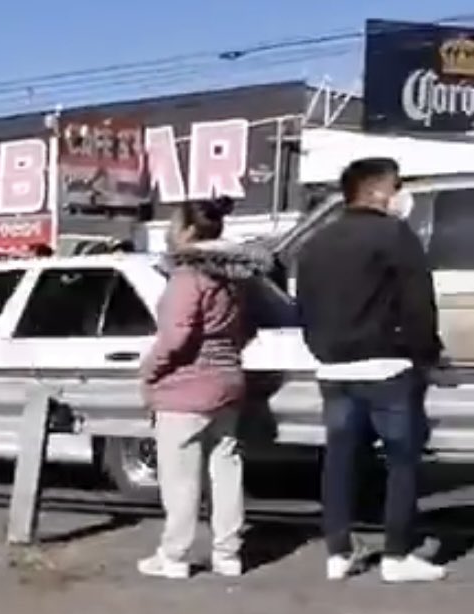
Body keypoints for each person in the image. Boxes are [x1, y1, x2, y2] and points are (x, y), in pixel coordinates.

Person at [297, 157, 446, 584]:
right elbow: (418, 302)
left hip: (333, 369)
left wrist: (321, 351)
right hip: (388, 366)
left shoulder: (316, 243)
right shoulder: (395, 235)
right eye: (397, 185)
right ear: (376, 191)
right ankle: (397, 555)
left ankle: (338, 553)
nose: (402, 194)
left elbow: (303, 307)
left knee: (340, 460)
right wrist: (424, 352)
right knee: (402, 459)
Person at [136, 198, 262, 580]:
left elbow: (176, 337)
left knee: (181, 477)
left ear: (189, 232)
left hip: (185, 388)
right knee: (226, 469)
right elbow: (248, 329)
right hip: (228, 382)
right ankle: (228, 554)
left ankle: (175, 556)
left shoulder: (187, 278)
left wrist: (148, 372)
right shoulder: (235, 280)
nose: (170, 233)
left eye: (174, 225)